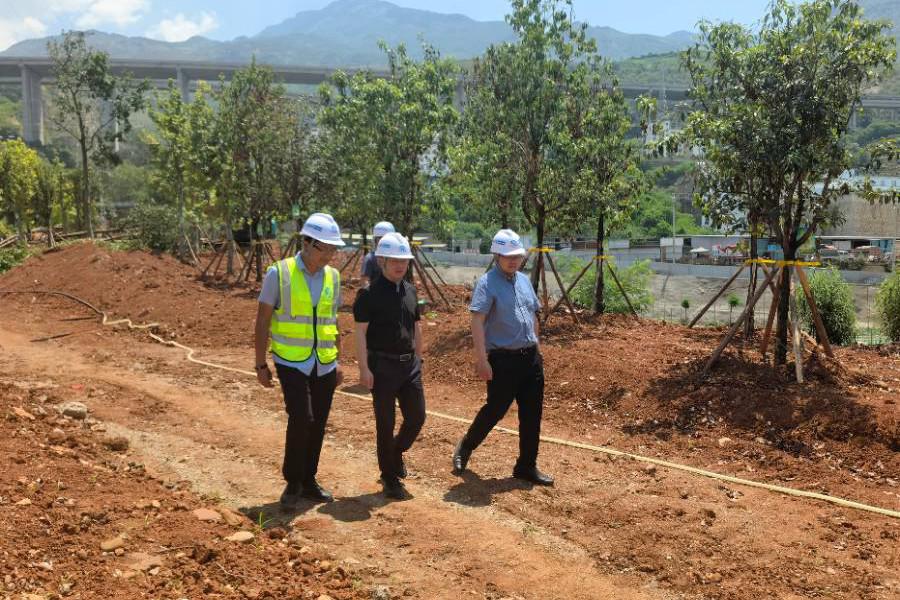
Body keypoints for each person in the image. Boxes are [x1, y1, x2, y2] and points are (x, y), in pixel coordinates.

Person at [254, 212, 346, 507]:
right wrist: (260, 364)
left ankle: (309, 480)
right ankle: (293, 481)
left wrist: (338, 360)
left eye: (333, 249)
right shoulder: (279, 274)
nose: (329, 255)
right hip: (290, 360)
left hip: (324, 362)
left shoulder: (333, 277)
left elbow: (333, 321)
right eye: (324, 248)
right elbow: (262, 320)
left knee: (318, 422)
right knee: (302, 418)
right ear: (306, 242)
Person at [452, 229, 553, 486]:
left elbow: (533, 316)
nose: (513, 260)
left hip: (530, 358)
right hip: (503, 360)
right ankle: (466, 446)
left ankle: (526, 466)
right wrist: (481, 359)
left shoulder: (524, 281)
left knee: (532, 414)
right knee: (495, 409)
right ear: (497, 255)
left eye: (517, 256)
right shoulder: (487, 283)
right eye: (508, 256)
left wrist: (537, 347)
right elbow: (477, 321)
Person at [353, 232, 426, 499]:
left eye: (404, 261)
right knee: (385, 423)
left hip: (410, 366)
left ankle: (395, 451)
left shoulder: (410, 290)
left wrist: (419, 358)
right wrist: (363, 368)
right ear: (382, 260)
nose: (400, 265)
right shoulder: (368, 294)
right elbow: (360, 333)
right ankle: (389, 475)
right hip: (381, 366)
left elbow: (416, 327)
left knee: (417, 417)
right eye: (394, 260)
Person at [360, 221, 395, 286]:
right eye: (380, 239)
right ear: (375, 240)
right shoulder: (370, 258)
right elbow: (364, 282)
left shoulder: (396, 258)